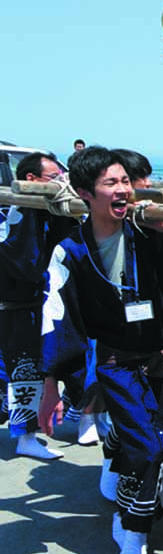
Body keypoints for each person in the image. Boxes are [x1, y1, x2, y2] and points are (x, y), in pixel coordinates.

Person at [37, 146, 163, 554]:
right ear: (86, 193)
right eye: (111, 183)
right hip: (115, 364)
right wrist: (50, 386)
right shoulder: (69, 251)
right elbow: (57, 318)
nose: (123, 189)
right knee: (146, 446)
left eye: (126, 181)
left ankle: (128, 494)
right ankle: (133, 526)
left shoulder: (146, 236)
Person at [0, 152, 74, 458]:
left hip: (26, 305)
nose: (60, 182)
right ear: (31, 180)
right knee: (24, 371)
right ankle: (26, 437)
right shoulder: (16, 213)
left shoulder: (39, 211)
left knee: (23, 370)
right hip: (15, 308)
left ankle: (27, 434)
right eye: (53, 177)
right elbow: (26, 264)